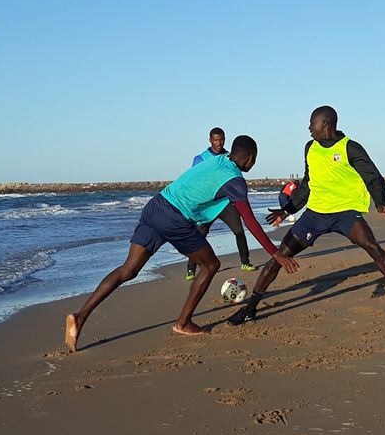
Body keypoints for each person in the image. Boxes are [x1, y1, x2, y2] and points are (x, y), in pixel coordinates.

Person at [63, 135, 299, 350]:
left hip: (155, 206)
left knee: (128, 269)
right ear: (250, 158)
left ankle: (80, 316)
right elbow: (250, 221)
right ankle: (183, 323)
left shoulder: (217, 160)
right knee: (210, 265)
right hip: (175, 218)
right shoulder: (235, 180)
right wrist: (275, 253)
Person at [228, 105, 385, 325]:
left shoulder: (350, 148)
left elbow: (372, 177)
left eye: (312, 123)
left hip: (345, 212)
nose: (309, 128)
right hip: (315, 214)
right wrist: (287, 210)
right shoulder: (310, 148)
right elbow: (307, 184)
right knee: (279, 256)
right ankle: (250, 309)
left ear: (326, 124)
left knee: (373, 247)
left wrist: (381, 202)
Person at [186, 127, 257, 280]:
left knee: (239, 231)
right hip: (207, 205)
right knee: (199, 235)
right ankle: (191, 269)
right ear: (210, 140)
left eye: (221, 140)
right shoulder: (200, 158)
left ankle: (245, 262)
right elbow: (195, 180)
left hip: (225, 203)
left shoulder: (230, 157)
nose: (219, 143)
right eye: (216, 140)